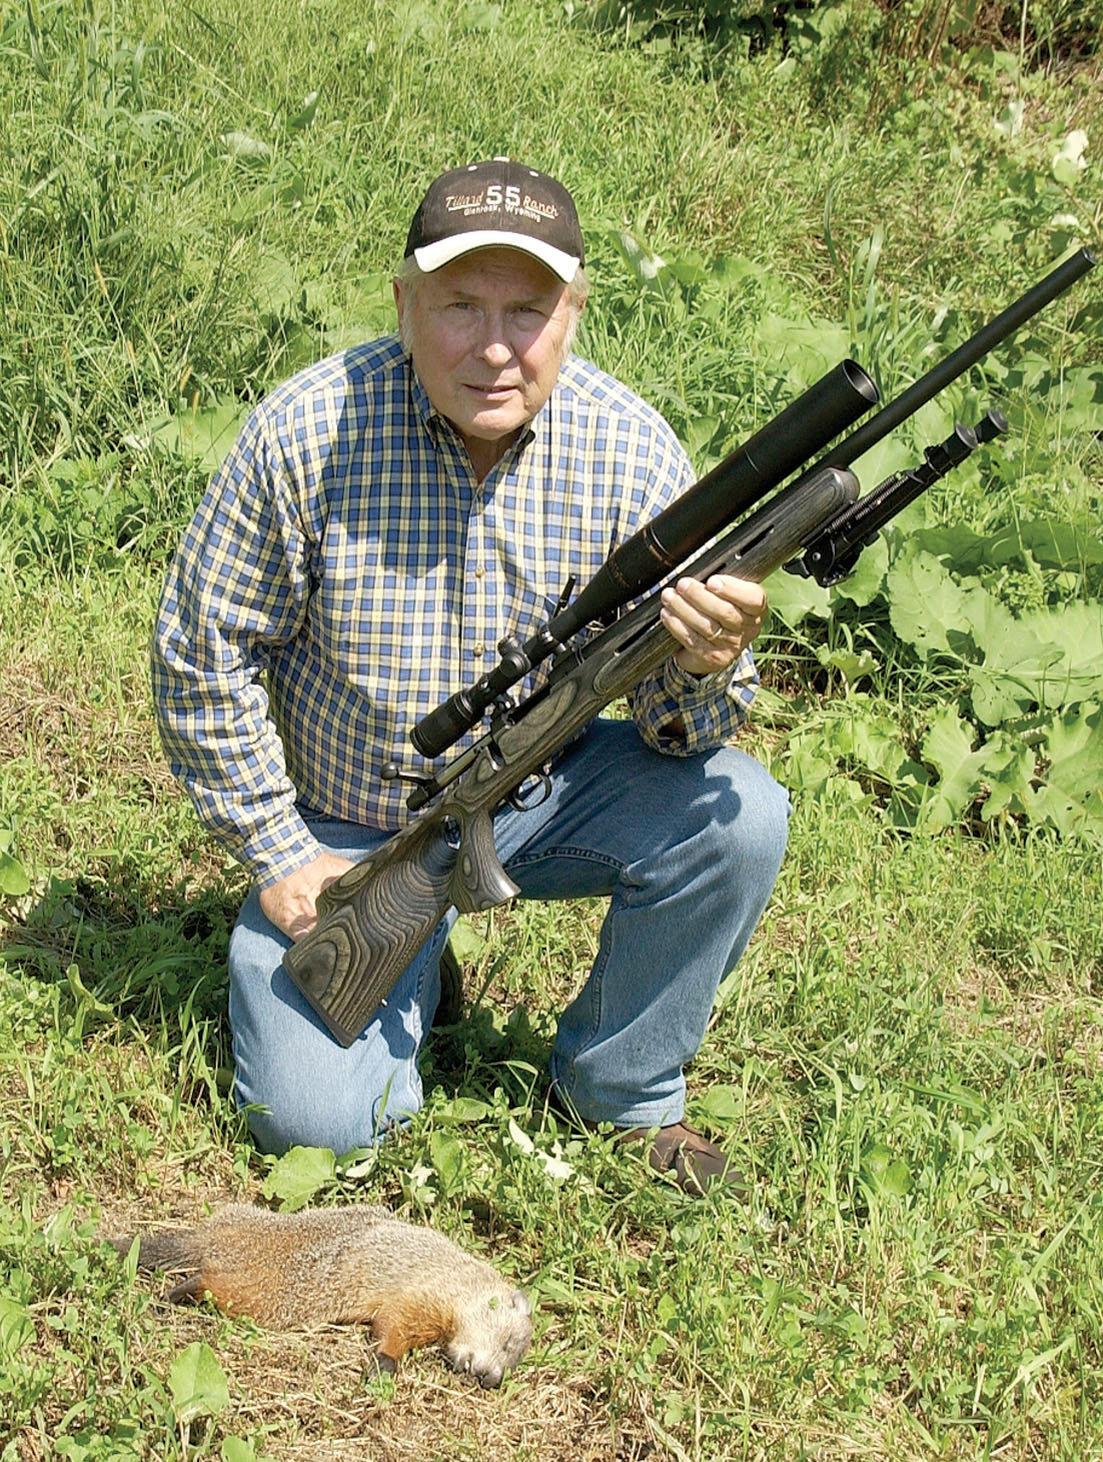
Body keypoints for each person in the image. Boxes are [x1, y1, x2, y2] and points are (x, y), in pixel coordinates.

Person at [152, 158, 790, 1196]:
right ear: (405, 304)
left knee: (742, 812)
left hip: (547, 795)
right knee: (314, 1124)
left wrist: (707, 661)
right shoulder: (308, 430)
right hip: (352, 828)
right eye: (459, 305)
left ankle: (619, 1091)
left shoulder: (630, 450)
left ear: (573, 316)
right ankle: (410, 960)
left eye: (527, 310)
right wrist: (277, 853)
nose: (495, 346)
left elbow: (685, 734)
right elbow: (199, 654)